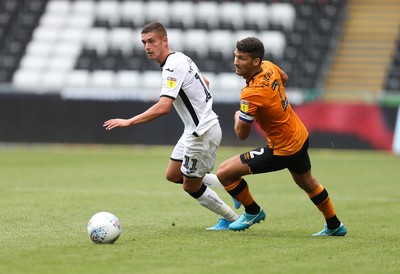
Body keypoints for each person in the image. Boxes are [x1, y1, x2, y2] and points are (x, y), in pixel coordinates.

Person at [103, 22, 238, 230]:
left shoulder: (172, 66)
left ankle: (231, 218)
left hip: (201, 133)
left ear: (164, 41)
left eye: (151, 41)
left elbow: (163, 107)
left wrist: (129, 121)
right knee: (174, 174)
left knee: (190, 185)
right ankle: (231, 185)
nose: (147, 47)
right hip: (193, 129)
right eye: (144, 42)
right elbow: (206, 82)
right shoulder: (180, 57)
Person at [216, 37, 347, 236]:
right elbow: (283, 78)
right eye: (235, 56)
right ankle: (335, 225)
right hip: (300, 135)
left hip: (283, 149)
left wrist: (237, 116)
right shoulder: (269, 66)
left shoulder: (251, 93)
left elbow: (241, 133)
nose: (235, 62)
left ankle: (252, 211)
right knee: (308, 182)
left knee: (225, 172)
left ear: (255, 62)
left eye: (242, 58)